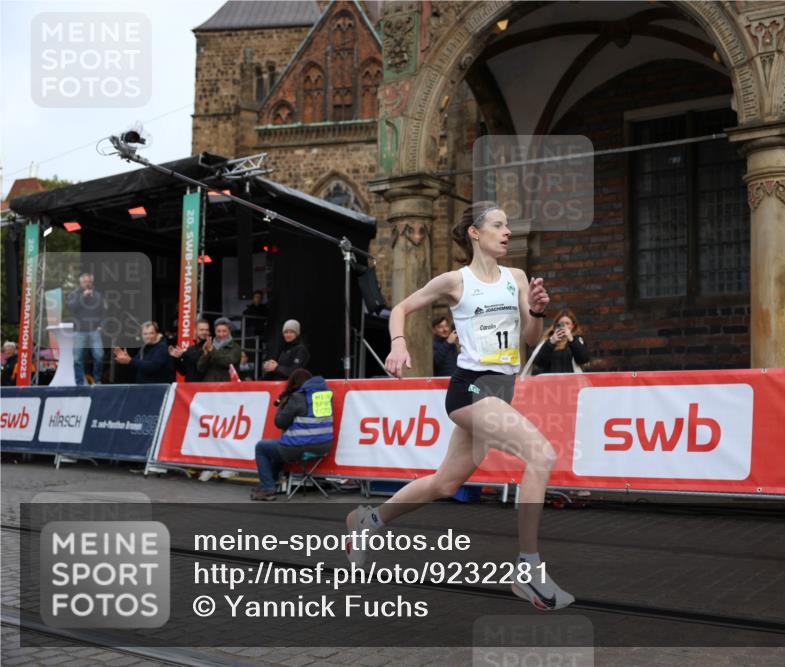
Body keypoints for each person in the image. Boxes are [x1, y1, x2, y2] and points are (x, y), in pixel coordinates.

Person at [344, 201, 574, 611]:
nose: (506, 231)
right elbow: (399, 309)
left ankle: (367, 522)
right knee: (541, 454)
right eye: (498, 225)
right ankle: (528, 570)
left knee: (445, 483)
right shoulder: (455, 281)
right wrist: (398, 344)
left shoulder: (516, 277)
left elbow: (530, 336)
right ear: (475, 232)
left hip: (501, 388)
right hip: (471, 389)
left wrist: (537, 308)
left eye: (508, 225)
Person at [251, 369, 333, 501]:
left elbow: (280, 422)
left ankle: (268, 488)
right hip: (323, 448)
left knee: (261, 447)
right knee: (279, 447)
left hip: (300, 448)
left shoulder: (297, 398)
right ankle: (270, 483)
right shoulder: (325, 397)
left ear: (294, 384)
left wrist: (282, 405)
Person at [522, 309, 590, 376]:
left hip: (572, 382)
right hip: (550, 383)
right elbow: (539, 363)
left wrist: (572, 340)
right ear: (556, 326)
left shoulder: (577, 340)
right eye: (561, 324)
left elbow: (584, 359)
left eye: (567, 323)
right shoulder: (548, 340)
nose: (564, 326)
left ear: (573, 326)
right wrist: (551, 343)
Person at [67, 272, 107, 385]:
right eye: (85, 282)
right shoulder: (74, 294)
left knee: (99, 355)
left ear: (92, 282)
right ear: (80, 283)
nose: (87, 283)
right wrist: (83, 296)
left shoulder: (98, 295)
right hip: (79, 331)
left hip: (95, 330)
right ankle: (80, 382)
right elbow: (72, 307)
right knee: (77, 358)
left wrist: (101, 325)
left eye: (89, 281)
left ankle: (97, 380)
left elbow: (104, 312)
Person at [196, 317, 243, 382]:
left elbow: (228, 362)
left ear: (229, 331)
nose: (221, 334)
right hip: (209, 387)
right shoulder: (210, 345)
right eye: (218, 331)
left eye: (224, 331)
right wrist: (206, 354)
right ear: (215, 331)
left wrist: (212, 350)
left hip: (226, 387)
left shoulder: (235, 347)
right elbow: (200, 368)